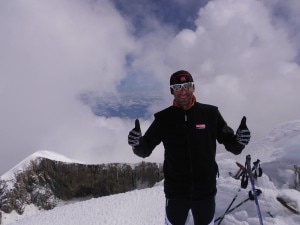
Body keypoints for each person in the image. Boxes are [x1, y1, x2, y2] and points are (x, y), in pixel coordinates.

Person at [128, 70, 251, 225]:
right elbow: (144, 150)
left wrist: (240, 141)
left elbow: (232, 145)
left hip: (205, 190)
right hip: (176, 192)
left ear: (193, 87)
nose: (183, 90)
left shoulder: (210, 114)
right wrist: (136, 143)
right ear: (172, 90)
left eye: (187, 85)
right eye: (177, 86)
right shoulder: (163, 119)